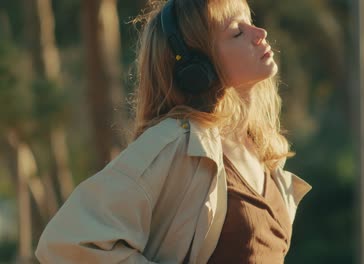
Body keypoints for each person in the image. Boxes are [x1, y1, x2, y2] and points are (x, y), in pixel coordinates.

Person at [35, 0, 312, 263]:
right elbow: (68, 244)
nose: (260, 33)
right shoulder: (176, 144)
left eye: (249, 22)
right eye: (237, 32)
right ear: (197, 67)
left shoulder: (264, 153)